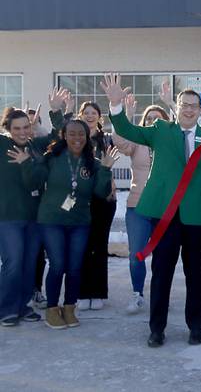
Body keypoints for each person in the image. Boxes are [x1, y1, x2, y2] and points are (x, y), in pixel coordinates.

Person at [102, 73, 201, 347]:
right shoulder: (160, 130)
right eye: (184, 104)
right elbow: (127, 130)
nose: (189, 109)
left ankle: (195, 327)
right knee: (162, 273)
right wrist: (115, 107)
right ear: (178, 106)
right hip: (165, 215)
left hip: (196, 215)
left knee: (195, 274)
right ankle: (157, 329)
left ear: (200, 110)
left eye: (194, 105)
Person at [13, 119, 115, 329]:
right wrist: (25, 163)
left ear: (87, 138)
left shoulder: (93, 163)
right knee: (58, 264)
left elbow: (100, 192)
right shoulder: (52, 158)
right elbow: (34, 182)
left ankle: (69, 308)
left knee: (75, 267)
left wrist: (105, 169)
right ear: (64, 136)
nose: (77, 138)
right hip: (51, 220)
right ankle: (52, 309)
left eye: (81, 134)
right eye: (72, 134)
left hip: (79, 222)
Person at [0, 90, 68, 326]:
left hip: (34, 217)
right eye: (16, 128)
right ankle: (7, 308)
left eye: (25, 127)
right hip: (7, 217)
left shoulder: (35, 146)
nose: (22, 132)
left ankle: (23, 305)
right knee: (13, 262)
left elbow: (59, 136)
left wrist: (57, 111)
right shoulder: (2, 144)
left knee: (30, 263)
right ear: (8, 128)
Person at [112, 96, 171, 314]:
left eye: (158, 118)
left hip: (165, 208)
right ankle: (138, 294)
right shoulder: (138, 141)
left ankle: (160, 292)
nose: (154, 121)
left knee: (164, 254)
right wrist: (126, 114)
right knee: (136, 253)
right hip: (138, 207)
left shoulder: (172, 142)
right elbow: (119, 141)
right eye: (150, 119)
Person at [75, 101, 118, 311]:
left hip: (103, 199)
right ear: (80, 115)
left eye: (94, 113)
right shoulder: (74, 138)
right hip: (81, 200)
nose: (90, 116)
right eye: (86, 113)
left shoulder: (105, 140)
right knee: (82, 245)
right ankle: (82, 292)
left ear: (99, 117)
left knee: (99, 246)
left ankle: (99, 292)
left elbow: (109, 166)